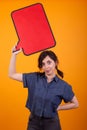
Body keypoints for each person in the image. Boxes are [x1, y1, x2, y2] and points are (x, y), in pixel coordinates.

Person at [8, 46, 79, 130]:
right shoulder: (34, 78)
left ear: (55, 63)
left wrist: (60, 107)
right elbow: (12, 74)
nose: (46, 67)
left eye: (49, 62)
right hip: (33, 123)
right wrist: (14, 55)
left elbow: (75, 104)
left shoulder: (63, 86)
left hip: (52, 124)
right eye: (43, 64)